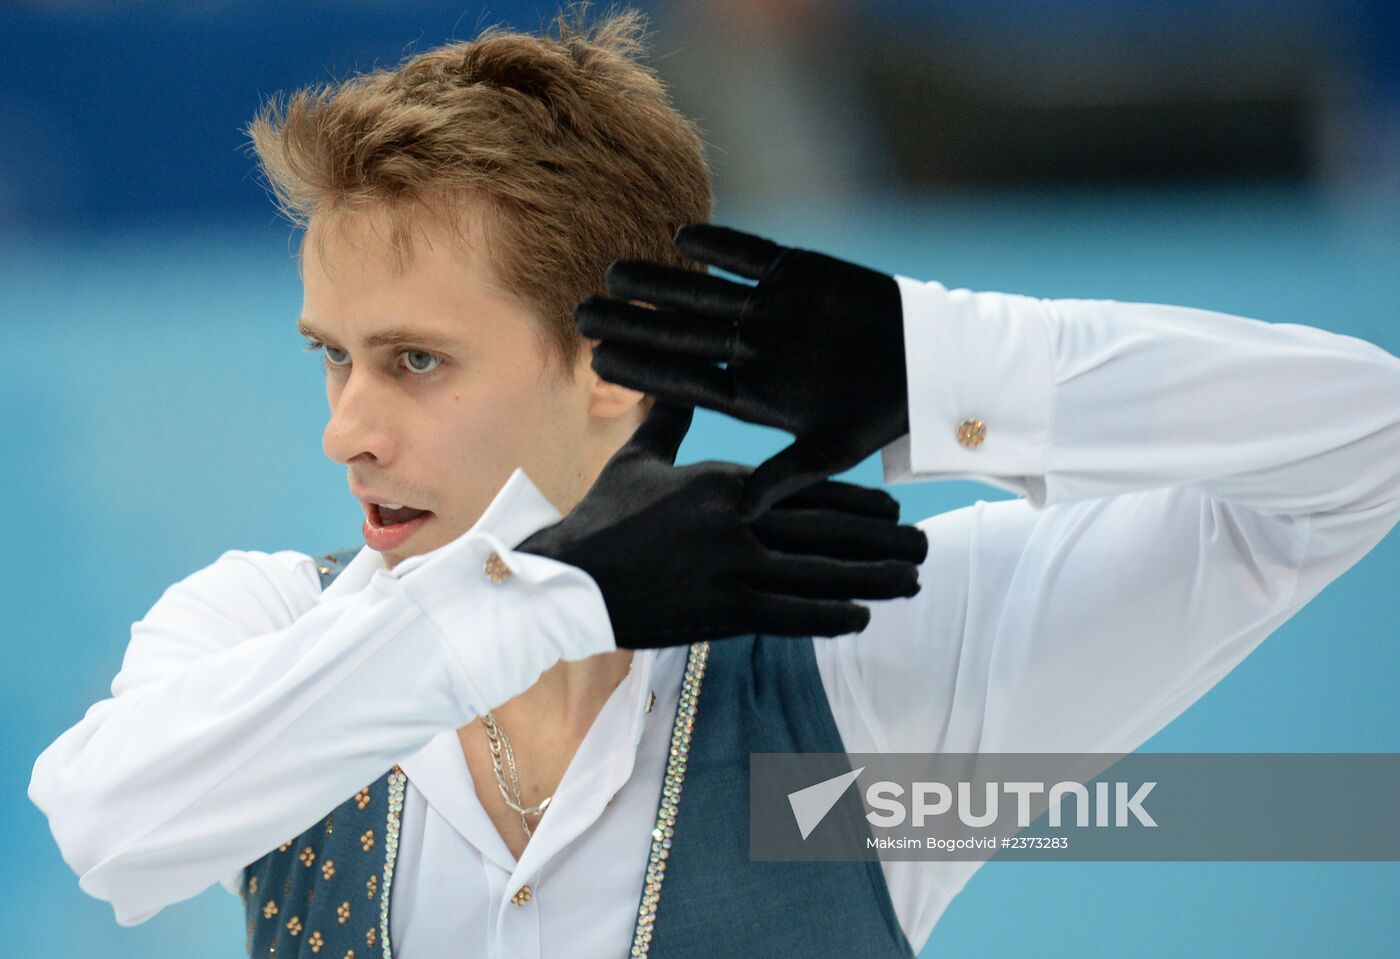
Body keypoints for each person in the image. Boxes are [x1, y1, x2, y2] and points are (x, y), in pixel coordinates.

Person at [28, 9, 1400, 959]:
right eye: (335, 358)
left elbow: (1359, 445)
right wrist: (544, 600)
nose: (348, 430)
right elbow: (107, 824)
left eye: (416, 362)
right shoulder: (263, 632)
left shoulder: (871, 677)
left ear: (613, 368)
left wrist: (945, 359)